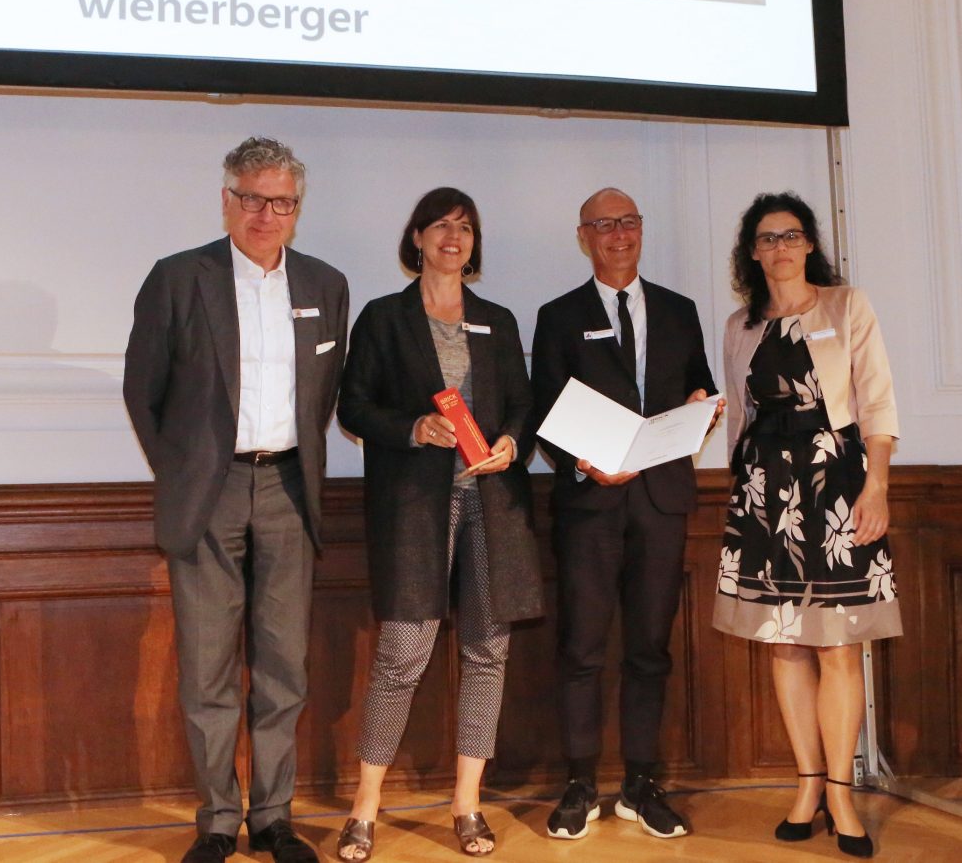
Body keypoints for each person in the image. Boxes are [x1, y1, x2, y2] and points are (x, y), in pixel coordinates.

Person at [123, 137, 348, 863]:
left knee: (284, 668)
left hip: (288, 488)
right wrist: (186, 470)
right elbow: (143, 390)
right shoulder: (177, 278)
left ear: (296, 209)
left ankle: (274, 816)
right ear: (227, 200)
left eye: (280, 202)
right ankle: (218, 819)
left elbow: (321, 397)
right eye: (251, 198)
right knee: (208, 669)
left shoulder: (325, 284)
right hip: (209, 493)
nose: (265, 214)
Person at [335, 187, 543, 860]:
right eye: (443, 226)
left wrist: (512, 442)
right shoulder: (383, 317)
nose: (455, 237)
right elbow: (353, 406)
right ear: (418, 237)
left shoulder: (497, 320)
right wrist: (413, 427)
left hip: (493, 504)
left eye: (466, 228)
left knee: (487, 651)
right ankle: (366, 806)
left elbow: (523, 405)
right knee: (402, 652)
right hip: (415, 505)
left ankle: (467, 803)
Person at [715, 192, 901, 859]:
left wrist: (876, 485)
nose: (781, 247)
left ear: (810, 244)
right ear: (753, 252)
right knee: (785, 643)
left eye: (791, 235)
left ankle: (842, 793)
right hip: (764, 490)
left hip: (837, 486)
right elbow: (739, 416)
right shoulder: (739, 325)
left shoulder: (847, 306)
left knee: (839, 645)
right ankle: (807, 785)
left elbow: (876, 401)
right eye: (768, 238)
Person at [531, 187, 720, 842]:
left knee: (649, 649)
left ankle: (642, 783)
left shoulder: (678, 310)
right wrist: (585, 463)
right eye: (605, 224)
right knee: (581, 647)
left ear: (641, 229)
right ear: (584, 236)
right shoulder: (558, 316)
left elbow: (698, 384)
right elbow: (545, 411)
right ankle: (580, 783)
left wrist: (703, 407)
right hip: (590, 502)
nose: (619, 234)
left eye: (629, 221)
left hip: (661, 499)